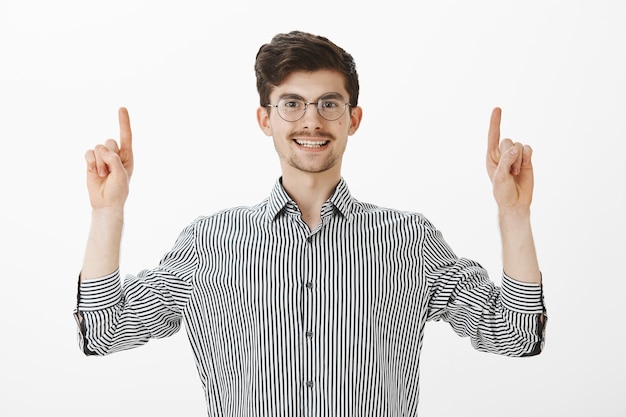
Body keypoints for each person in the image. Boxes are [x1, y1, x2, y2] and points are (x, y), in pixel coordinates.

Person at [75, 30, 546, 415]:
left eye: (329, 103)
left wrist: (513, 214)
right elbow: (103, 330)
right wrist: (107, 213)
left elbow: (517, 333)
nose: (312, 120)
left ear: (353, 118)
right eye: (292, 103)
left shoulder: (409, 239)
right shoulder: (211, 242)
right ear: (265, 119)